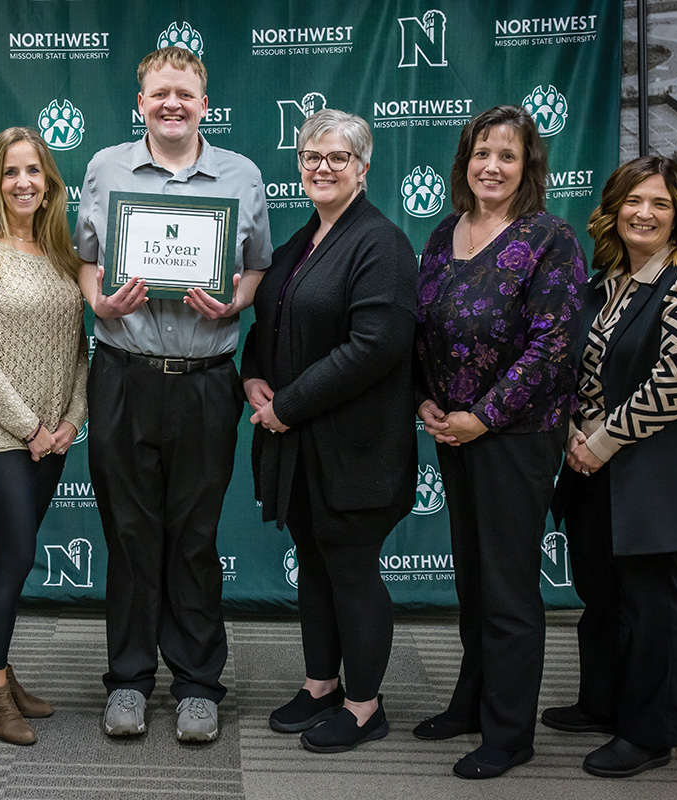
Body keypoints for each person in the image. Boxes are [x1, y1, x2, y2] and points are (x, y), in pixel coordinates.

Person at [74, 46, 272, 742]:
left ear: (204, 104)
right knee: (129, 537)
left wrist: (233, 306)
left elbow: (254, 270)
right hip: (123, 375)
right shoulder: (105, 168)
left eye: (184, 93)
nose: (172, 104)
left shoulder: (241, 176)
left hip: (205, 384)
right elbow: (88, 260)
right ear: (141, 103)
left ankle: (196, 684)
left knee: (193, 538)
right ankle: (128, 679)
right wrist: (98, 304)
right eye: (160, 93)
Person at [543, 156, 677, 778]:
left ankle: (652, 732)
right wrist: (576, 431)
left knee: (652, 606)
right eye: (633, 201)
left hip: (657, 479)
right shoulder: (605, 281)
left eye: (659, 203)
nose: (644, 213)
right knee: (600, 595)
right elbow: (577, 368)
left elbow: (675, 383)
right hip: (592, 470)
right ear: (614, 208)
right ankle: (602, 702)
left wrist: (602, 441)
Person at [412, 105, 586, 778]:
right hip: (451, 432)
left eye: (507, 156)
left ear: (527, 167)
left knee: (509, 587)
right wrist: (426, 401)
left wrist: (482, 416)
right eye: (482, 153)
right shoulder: (441, 234)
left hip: (515, 435)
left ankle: (509, 733)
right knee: (474, 580)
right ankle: (473, 702)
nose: (492, 165)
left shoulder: (550, 239)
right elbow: (420, 332)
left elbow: (553, 348)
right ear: (465, 162)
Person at [241, 109, 417, 753]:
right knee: (314, 566)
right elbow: (271, 320)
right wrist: (253, 378)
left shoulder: (381, 244)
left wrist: (288, 405)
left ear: (364, 168)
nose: (322, 167)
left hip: (356, 450)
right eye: (311, 156)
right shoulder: (303, 239)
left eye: (337, 158)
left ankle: (365, 704)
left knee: (351, 570)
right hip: (302, 448)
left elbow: (376, 345)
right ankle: (321, 685)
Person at [0, 127, 88, 746]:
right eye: (10, 172)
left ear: (50, 180)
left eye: (34, 170)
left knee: (18, 552)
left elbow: (82, 349)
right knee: (16, 553)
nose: (23, 182)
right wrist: (29, 426)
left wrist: (70, 422)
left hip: (53, 434)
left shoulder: (65, 256)